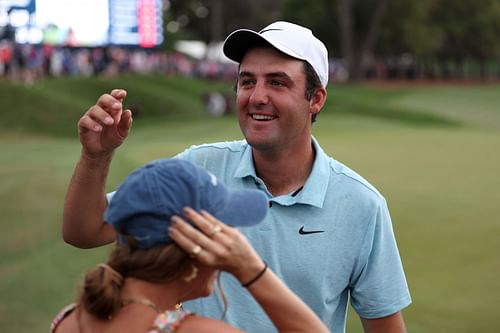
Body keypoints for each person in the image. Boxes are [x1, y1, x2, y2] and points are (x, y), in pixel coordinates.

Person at [62, 21, 411, 333]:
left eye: (277, 82)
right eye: (247, 81)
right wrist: (96, 156)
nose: (257, 97)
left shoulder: (362, 205)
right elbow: (85, 231)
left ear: (315, 98)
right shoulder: (197, 169)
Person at [52, 158, 330, 333]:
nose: (230, 238)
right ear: (191, 245)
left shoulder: (69, 320)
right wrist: (252, 270)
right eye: (219, 230)